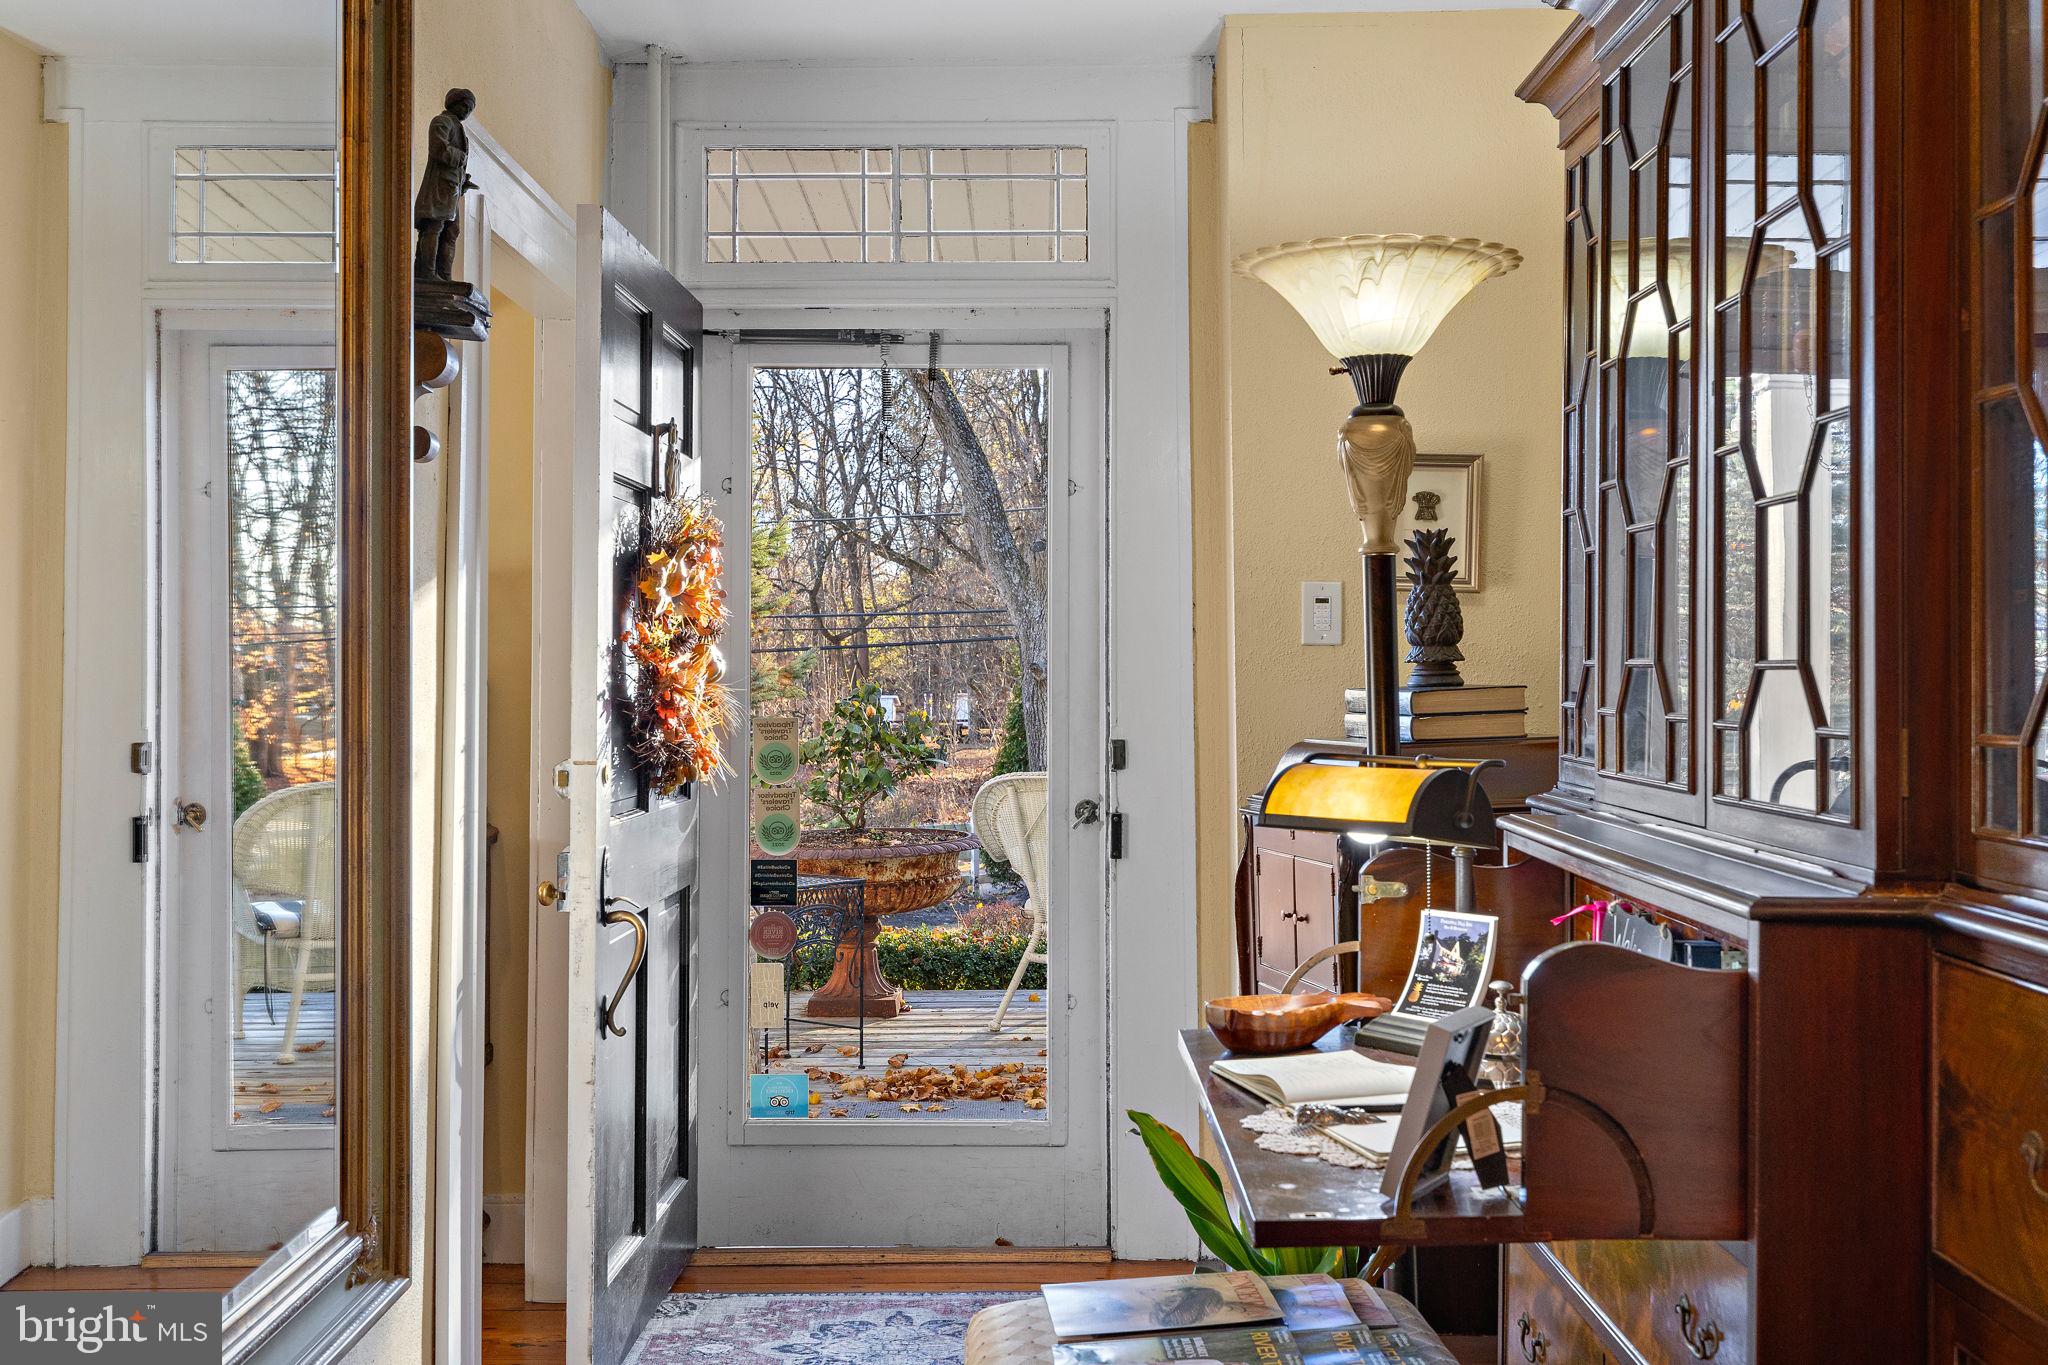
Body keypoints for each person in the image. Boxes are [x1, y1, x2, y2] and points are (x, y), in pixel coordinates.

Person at [414, 88, 476, 280]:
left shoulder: (458, 128)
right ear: (453, 103)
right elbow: (438, 148)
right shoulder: (442, 121)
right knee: (435, 225)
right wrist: (460, 158)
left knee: (452, 230)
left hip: (452, 189)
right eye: (464, 106)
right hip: (439, 187)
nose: (466, 111)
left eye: (469, 109)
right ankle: (428, 273)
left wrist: (463, 181)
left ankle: (444, 275)